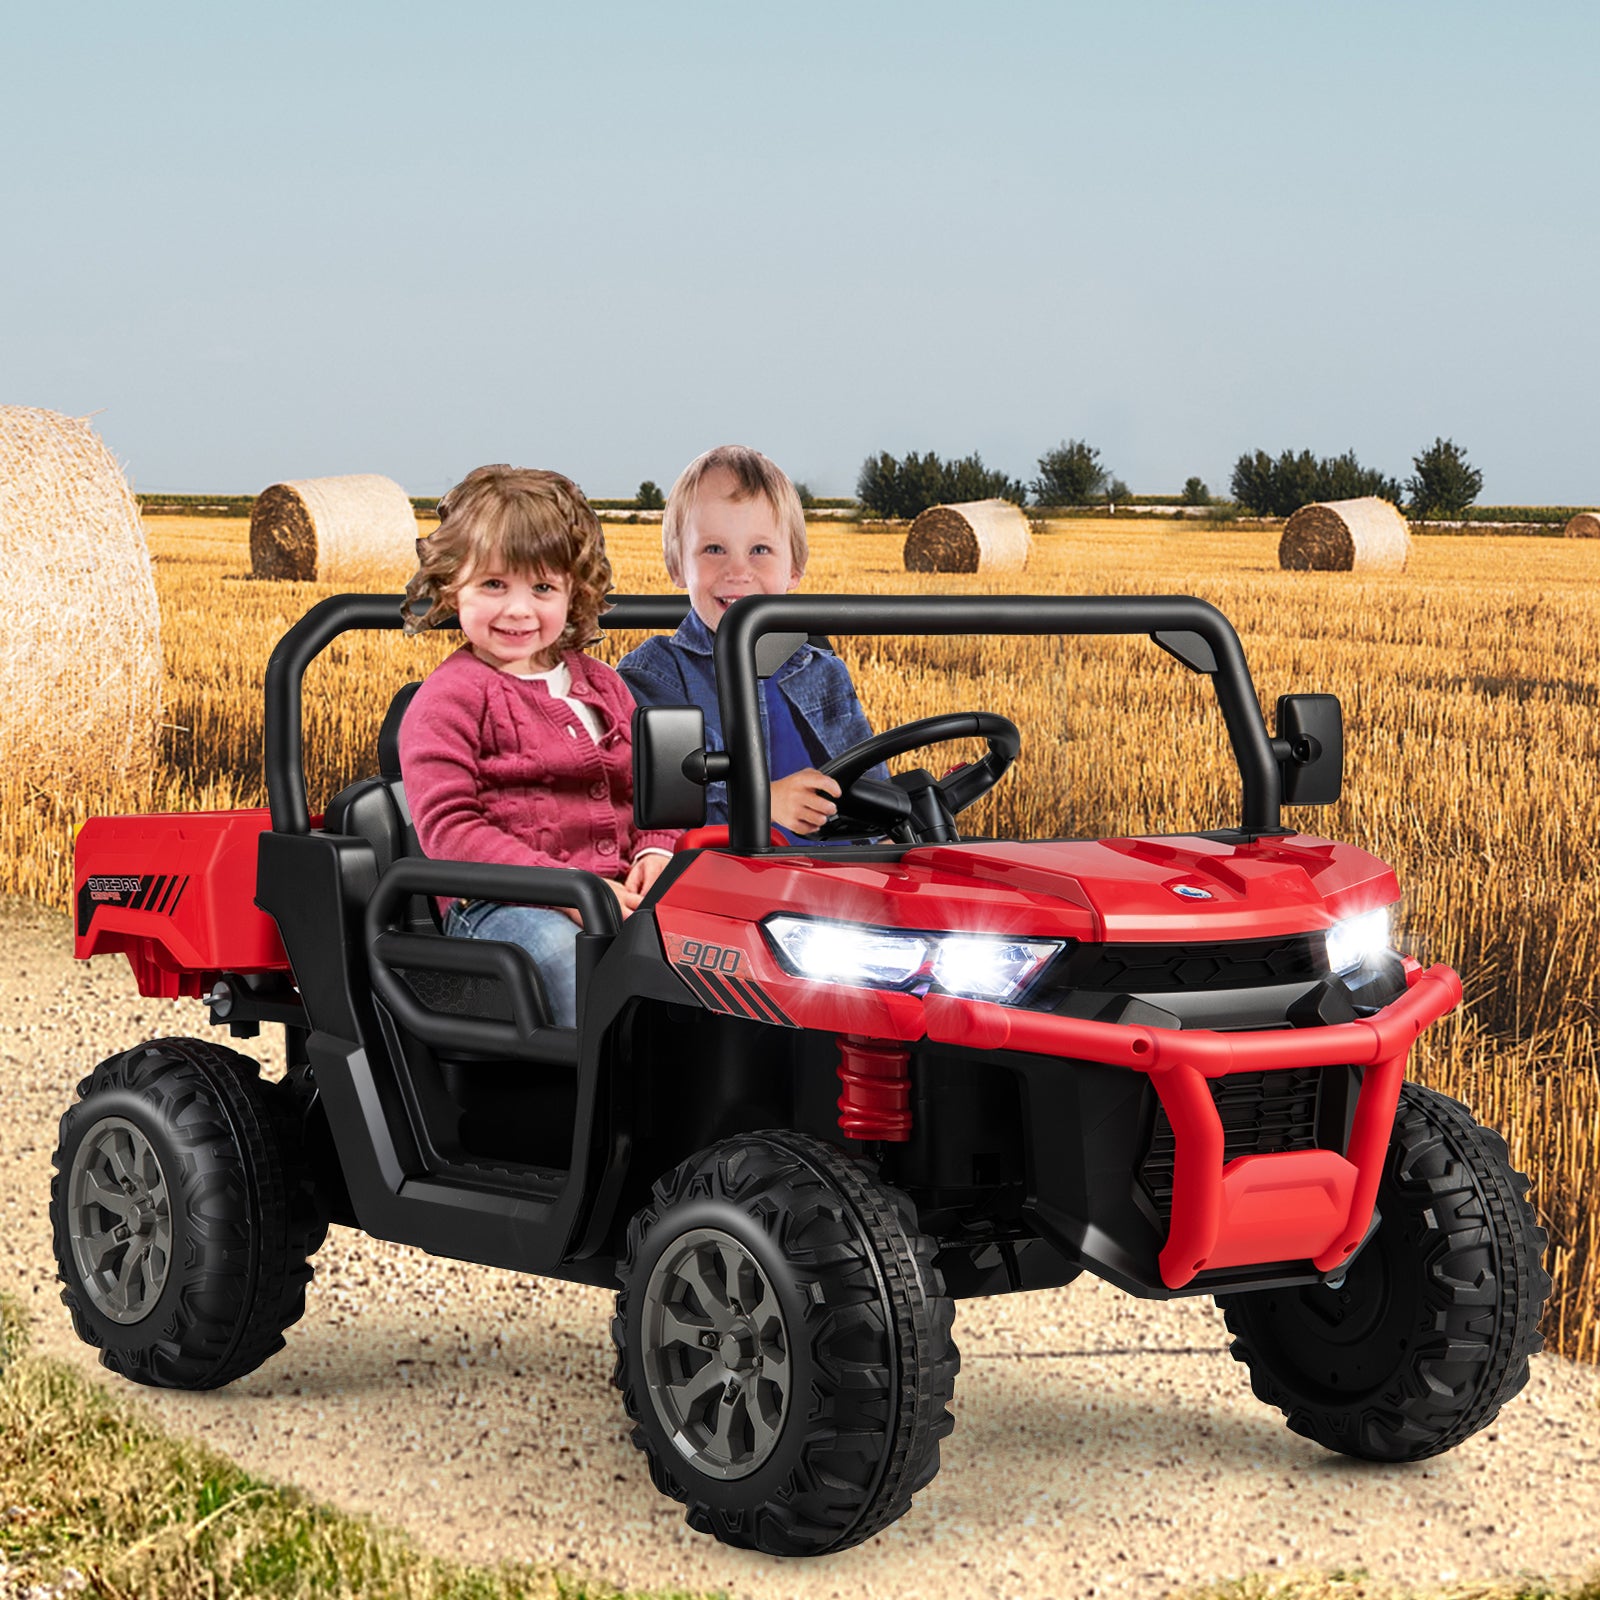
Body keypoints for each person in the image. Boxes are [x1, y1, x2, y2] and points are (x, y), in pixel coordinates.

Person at [398, 465, 679, 1026]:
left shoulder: (604, 683)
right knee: (572, 965)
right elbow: (450, 829)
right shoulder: (448, 699)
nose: (519, 610)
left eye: (543, 588)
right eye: (494, 584)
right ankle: (611, 1110)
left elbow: (651, 785)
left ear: (575, 592)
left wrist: (655, 849)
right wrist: (567, 891)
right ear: (454, 585)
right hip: (502, 905)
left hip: (620, 890)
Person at [617, 444, 884, 840]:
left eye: (759, 550)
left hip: (839, 875)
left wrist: (891, 826)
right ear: (677, 565)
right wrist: (762, 801)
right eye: (713, 549)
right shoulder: (656, 674)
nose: (738, 571)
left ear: (794, 568)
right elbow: (663, 803)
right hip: (726, 883)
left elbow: (871, 782)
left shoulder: (825, 672)